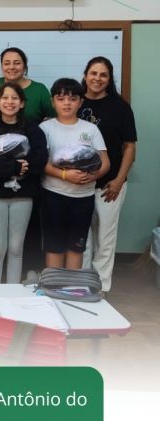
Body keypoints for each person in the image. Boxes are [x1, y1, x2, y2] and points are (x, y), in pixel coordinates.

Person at [0, 82, 48, 283]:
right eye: (5, 98)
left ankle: (13, 295)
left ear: (22, 103)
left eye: (15, 98)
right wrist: (13, 167)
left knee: (16, 248)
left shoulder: (33, 129)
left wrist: (23, 167)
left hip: (23, 196)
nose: (10, 102)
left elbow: (40, 158)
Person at [79, 56, 137, 293]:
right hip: (78, 184)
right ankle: (81, 283)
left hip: (109, 185)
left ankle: (100, 287)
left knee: (105, 237)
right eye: (93, 73)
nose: (97, 79)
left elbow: (130, 147)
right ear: (85, 75)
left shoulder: (120, 107)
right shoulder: (75, 102)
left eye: (103, 75)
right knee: (82, 238)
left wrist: (119, 180)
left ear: (109, 78)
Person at [40, 78, 110, 270]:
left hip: (83, 198)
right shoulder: (45, 128)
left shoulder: (90, 129)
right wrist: (65, 176)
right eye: (61, 99)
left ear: (80, 102)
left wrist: (94, 176)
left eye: (72, 99)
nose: (66, 103)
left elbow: (105, 161)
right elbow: (41, 163)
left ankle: (70, 290)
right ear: (53, 101)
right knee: (54, 247)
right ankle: (53, 289)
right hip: (53, 195)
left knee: (76, 247)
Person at [0, 47, 54, 124]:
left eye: (17, 63)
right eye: (7, 63)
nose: (11, 67)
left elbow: (55, 117)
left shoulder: (39, 90)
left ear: (24, 66)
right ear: (1, 66)